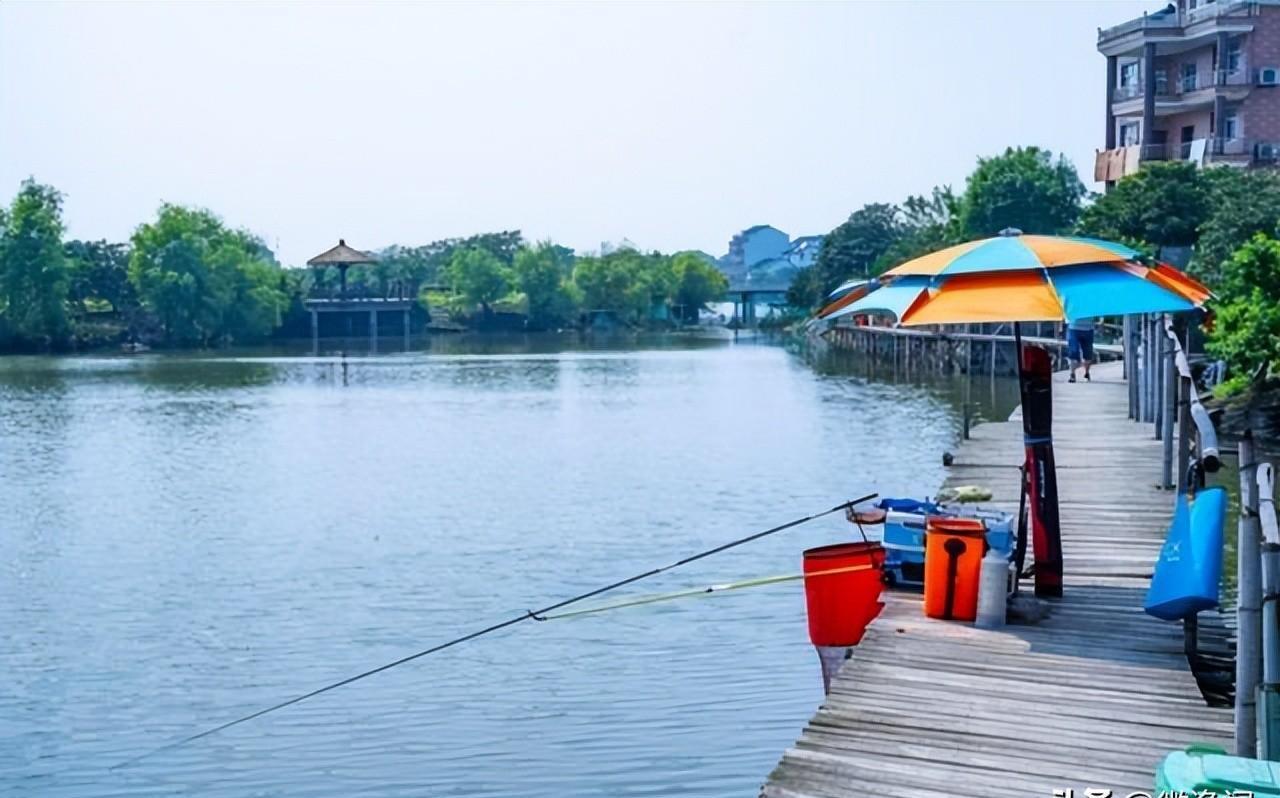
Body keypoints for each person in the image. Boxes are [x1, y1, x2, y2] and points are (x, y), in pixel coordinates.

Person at [1067, 317, 1095, 382]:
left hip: (1088, 329)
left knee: (1088, 354)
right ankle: (1072, 374)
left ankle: (1087, 373)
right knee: (1073, 352)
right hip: (1073, 327)